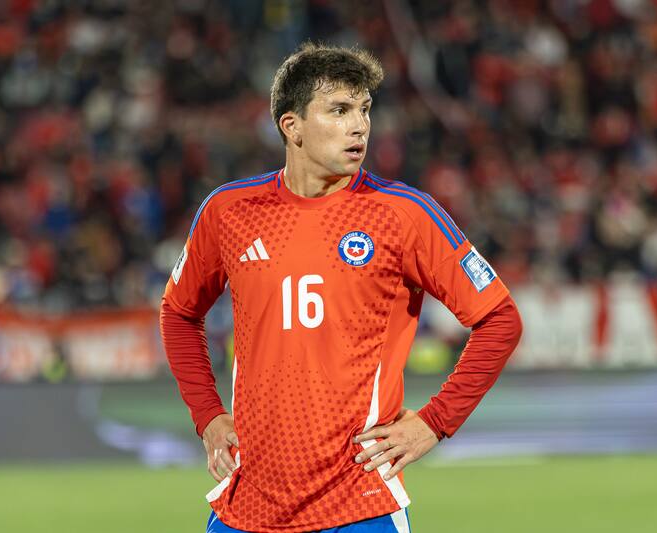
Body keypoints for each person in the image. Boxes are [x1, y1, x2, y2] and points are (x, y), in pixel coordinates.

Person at [160, 42, 522, 533]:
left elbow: (499, 319)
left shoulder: (403, 214)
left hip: (358, 504)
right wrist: (206, 415)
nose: (360, 126)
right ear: (292, 127)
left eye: (365, 110)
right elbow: (179, 313)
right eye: (339, 110)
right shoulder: (230, 212)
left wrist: (434, 422)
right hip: (247, 506)